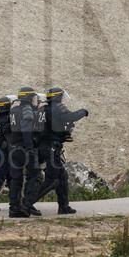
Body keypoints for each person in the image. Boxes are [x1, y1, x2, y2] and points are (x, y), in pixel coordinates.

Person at [32, 86, 88, 215]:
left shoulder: (43, 109)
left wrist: (62, 135)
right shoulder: (57, 107)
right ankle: (27, 203)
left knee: (62, 176)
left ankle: (63, 206)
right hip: (50, 146)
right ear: (58, 97)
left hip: (46, 146)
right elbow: (70, 117)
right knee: (52, 179)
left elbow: (53, 126)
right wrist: (83, 111)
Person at [7, 86, 42, 218]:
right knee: (36, 176)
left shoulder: (13, 109)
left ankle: (14, 209)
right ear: (28, 98)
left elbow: (8, 128)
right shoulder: (27, 110)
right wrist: (30, 148)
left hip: (13, 148)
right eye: (33, 96)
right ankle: (26, 206)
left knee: (16, 179)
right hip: (23, 148)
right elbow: (26, 130)